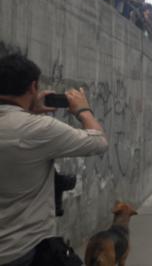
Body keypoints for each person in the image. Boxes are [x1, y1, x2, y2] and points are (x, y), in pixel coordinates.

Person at [0, 54, 108, 265]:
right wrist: (83, 110)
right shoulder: (38, 128)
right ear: (33, 87)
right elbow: (99, 141)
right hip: (22, 249)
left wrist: (29, 110)